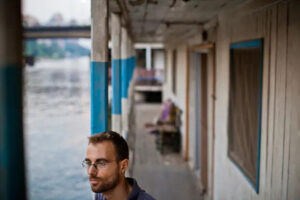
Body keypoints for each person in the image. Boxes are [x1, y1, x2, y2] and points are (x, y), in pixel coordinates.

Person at [82, 131, 155, 200]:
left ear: (123, 166)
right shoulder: (101, 193)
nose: (91, 171)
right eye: (88, 163)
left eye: (101, 163)